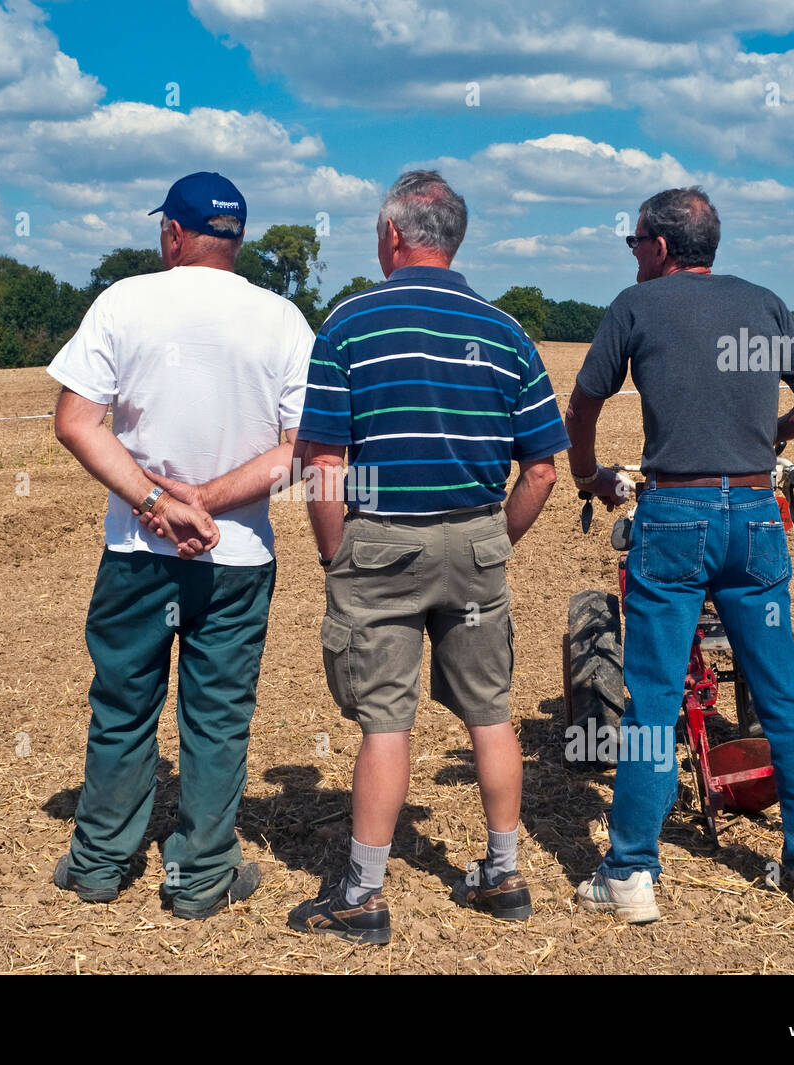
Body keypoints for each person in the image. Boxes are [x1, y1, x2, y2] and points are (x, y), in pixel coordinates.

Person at [287, 170, 571, 944]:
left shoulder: (348, 324)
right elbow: (543, 469)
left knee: (385, 718)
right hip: (477, 536)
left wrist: (334, 552)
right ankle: (504, 873)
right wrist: (493, 541)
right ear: (455, 239)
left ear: (391, 237)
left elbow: (323, 460)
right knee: (491, 709)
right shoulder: (506, 330)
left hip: (380, 539)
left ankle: (363, 894)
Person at [564, 186, 794, 923]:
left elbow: (583, 404)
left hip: (675, 513)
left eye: (633, 243)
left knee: (654, 697)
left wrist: (588, 474)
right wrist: (771, 438)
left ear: (658, 246)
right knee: (782, 689)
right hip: (756, 514)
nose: (632, 255)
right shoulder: (764, 302)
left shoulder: (635, 307)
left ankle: (631, 872)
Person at [46, 171, 315, 919]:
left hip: (137, 552)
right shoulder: (284, 319)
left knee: (124, 703)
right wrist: (208, 503)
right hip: (236, 560)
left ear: (171, 234)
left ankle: (99, 863)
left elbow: (76, 422)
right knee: (218, 715)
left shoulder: (124, 302)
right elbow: (301, 449)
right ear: (237, 239)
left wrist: (159, 503)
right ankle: (200, 877)